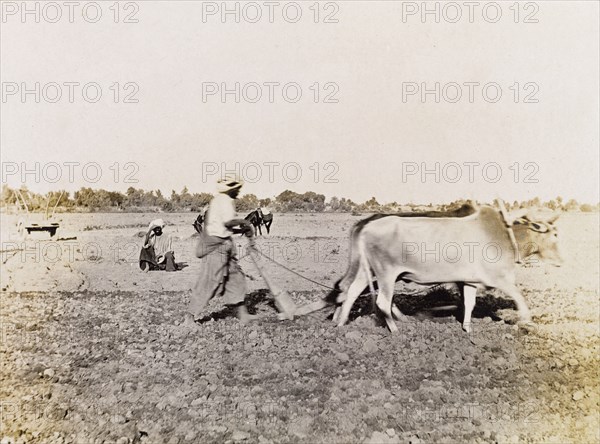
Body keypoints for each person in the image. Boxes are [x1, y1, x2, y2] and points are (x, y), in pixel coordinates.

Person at [183, 176, 258, 325]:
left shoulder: (222, 201)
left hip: (224, 245)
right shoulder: (223, 201)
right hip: (216, 248)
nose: (239, 191)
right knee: (209, 282)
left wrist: (242, 229)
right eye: (237, 189)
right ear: (231, 189)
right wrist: (245, 223)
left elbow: (224, 227)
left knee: (236, 278)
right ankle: (189, 317)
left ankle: (243, 315)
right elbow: (227, 222)